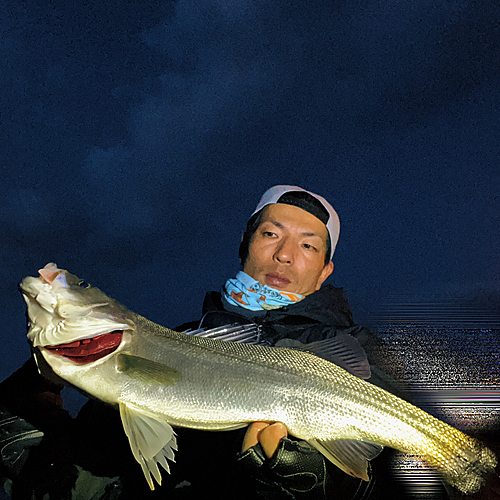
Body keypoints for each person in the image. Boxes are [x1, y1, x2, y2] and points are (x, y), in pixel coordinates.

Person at [0, 185, 444, 499]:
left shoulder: (363, 351)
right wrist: (31, 397)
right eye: (271, 234)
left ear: (326, 271)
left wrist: (340, 490)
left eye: (309, 246)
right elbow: (84, 477)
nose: (284, 254)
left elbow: (421, 482)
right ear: (246, 243)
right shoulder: (177, 339)